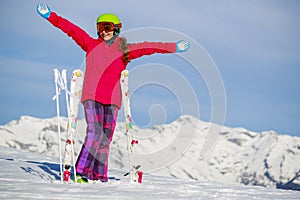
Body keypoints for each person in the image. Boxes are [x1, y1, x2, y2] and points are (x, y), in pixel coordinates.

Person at [36, 4, 190, 183]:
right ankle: (82, 172)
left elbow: (150, 47)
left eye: (107, 27)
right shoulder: (91, 45)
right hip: (92, 97)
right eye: (100, 28)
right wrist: (50, 16)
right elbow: (71, 29)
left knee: (105, 138)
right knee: (94, 132)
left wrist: (173, 47)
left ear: (116, 29)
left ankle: (99, 175)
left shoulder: (125, 51)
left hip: (112, 100)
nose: (103, 32)